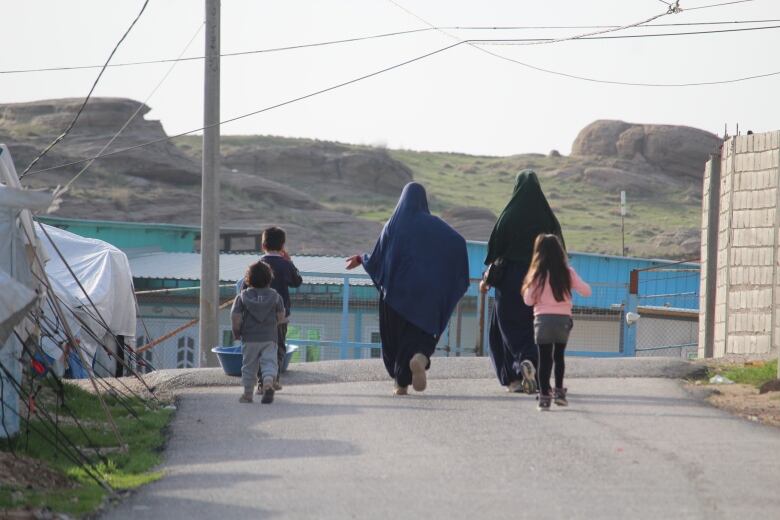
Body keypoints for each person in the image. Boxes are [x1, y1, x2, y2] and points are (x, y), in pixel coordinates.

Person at [346, 182, 469, 395]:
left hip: (396, 296)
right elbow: (458, 241)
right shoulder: (435, 225)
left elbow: (378, 258)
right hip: (427, 296)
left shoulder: (392, 226)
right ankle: (420, 356)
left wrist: (361, 258)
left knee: (395, 338)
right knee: (422, 333)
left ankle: (400, 384)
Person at [480, 170, 564, 394]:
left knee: (505, 327)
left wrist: (488, 278)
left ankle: (515, 377)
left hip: (510, 279)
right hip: (541, 277)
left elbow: (494, 250)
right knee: (534, 325)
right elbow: (558, 247)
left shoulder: (508, 215)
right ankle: (531, 365)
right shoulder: (546, 216)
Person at [522, 234, 591, 410]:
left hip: (542, 320)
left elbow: (528, 301)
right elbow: (586, 291)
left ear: (539, 252)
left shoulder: (537, 275)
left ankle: (544, 396)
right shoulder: (567, 272)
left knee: (544, 359)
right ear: (559, 251)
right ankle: (559, 392)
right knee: (559, 357)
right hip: (563, 320)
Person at [236, 226, 303, 393]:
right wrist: (290, 261)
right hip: (280, 317)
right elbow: (297, 281)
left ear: (263, 245)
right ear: (282, 246)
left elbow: (244, 289)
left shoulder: (256, 266)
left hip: (256, 318)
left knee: (259, 349)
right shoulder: (285, 265)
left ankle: (260, 383)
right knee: (278, 348)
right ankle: (273, 379)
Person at [232, 260, 285, 404]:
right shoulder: (275, 296)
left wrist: (236, 331)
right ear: (270, 279)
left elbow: (235, 317)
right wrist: (276, 324)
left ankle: (248, 395)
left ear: (248, 280)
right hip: (269, 337)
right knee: (269, 363)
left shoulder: (242, 297)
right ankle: (267, 383)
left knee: (249, 366)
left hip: (249, 338)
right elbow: (281, 316)